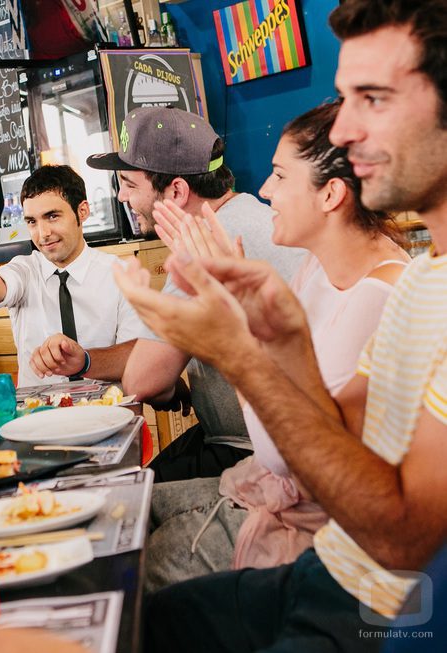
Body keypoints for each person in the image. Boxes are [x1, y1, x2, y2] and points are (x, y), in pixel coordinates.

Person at [112, 1, 447, 649]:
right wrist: (278, 333)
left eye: (372, 98)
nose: (344, 130)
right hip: (331, 572)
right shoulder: (425, 280)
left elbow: (400, 538)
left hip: (376, 612)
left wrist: (241, 351)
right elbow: (337, 436)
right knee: (127, 616)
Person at [143, 99, 411, 591]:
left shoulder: (380, 295)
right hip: (268, 481)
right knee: (125, 514)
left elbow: (285, 456)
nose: (264, 191)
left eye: (280, 176)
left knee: (139, 575)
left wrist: (234, 331)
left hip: (322, 527)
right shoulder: (317, 265)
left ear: (330, 195)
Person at [31, 107, 305, 480]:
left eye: (129, 183)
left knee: (126, 494)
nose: (122, 196)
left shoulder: (207, 242)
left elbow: (144, 382)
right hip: (255, 440)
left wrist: (162, 374)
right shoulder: (245, 215)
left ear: (176, 190)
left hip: (264, 456)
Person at [0, 164, 149, 388]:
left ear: (82, 211)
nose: (43, 234)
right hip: (36, 413)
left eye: (52, 216)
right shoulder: (25, 269)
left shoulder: (120, 274)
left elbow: (136, 354)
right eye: (32, 222)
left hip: (106, 410)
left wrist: (83, 360)